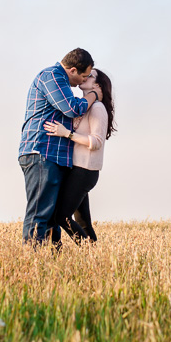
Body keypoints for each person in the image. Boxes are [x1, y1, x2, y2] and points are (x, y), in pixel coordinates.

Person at [18, 48, 101, 244]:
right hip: (41, 152)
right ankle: (32, 258)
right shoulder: (52, 76)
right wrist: (94, 95)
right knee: (40, 212)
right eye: (84, 76)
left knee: (52, 215)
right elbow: (72, 109)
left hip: (53, 155)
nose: (83, 81)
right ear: (72, 70)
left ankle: (53, 260)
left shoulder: (62, 82)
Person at [43, 68, 115, 244]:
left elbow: (96, 142)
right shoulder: (84, 106)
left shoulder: (97, 108)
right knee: (83, 221)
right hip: (76, 169)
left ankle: (87, 251)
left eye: (90, 76)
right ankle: (93, 255)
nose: (85, 76)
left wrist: (67, 134)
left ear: (97, 86)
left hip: (85, 170)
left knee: (62, 216)